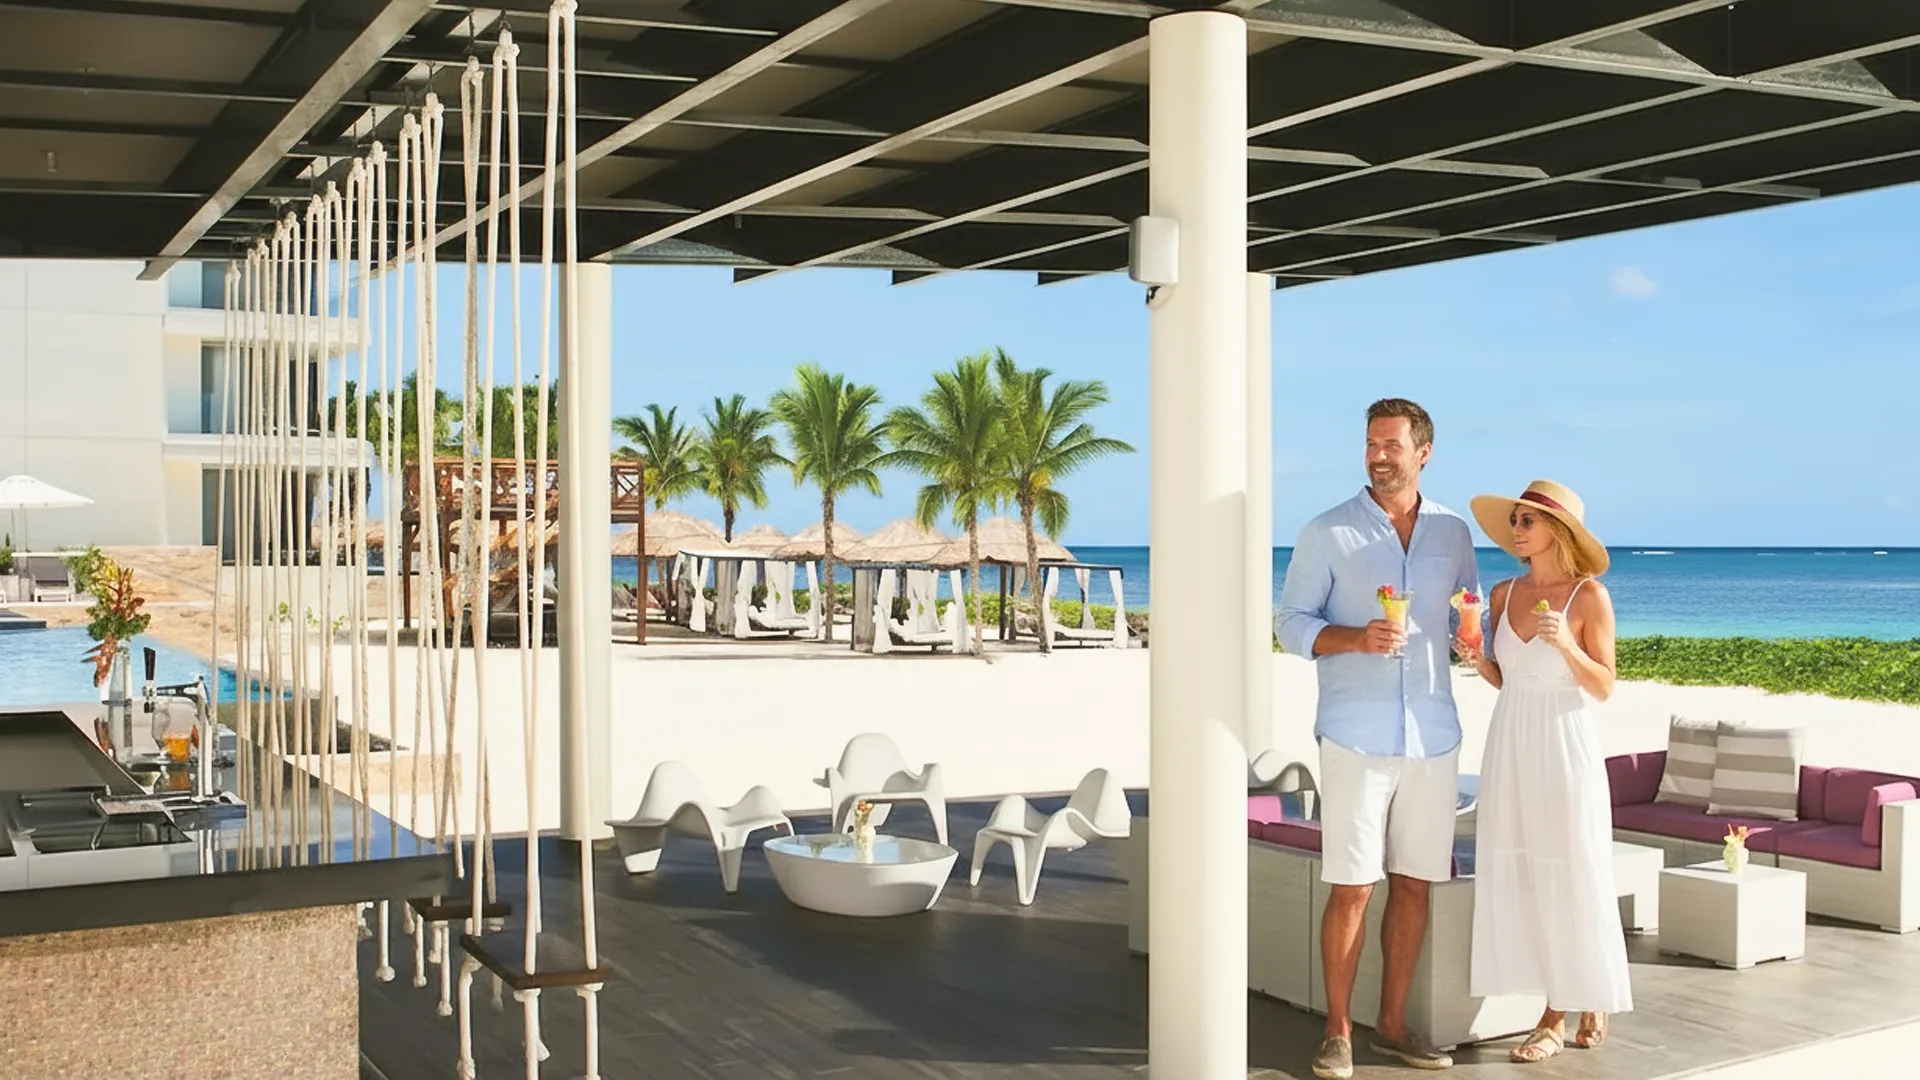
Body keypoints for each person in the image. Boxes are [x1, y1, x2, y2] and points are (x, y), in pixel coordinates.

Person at [1278, 398, 1479, 1079]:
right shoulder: (1327, 531)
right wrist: (1356, 638)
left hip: (1434, 735)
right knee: (1354, 886)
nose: (1378, 455)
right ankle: (1338, 1031)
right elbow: (1292, 625)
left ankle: (1391, 1026)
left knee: (1416, 885)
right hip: (1355, 736)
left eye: (1392, 445)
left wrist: (1470, 637)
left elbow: (1464, 616)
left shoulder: (1453, 533)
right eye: (1371, 444)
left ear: (1424, 451)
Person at [1459, 480, 1632, 1063]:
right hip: (1510, 741)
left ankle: (1555, 1016)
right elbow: (1509, 679)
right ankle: (1580, 992)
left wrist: (1567, 647)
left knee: (1571, 868)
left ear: (1557, 531)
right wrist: (1477, 660)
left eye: (1526, 521)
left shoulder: (1589, 597)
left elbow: (1604, 686)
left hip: (1564, 743)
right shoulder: (1504, 593)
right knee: (1526, 870)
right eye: (1514, 520)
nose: (1516, 530)